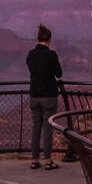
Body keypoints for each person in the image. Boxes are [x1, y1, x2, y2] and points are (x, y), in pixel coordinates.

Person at [26, 24, 62, 170]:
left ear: (37, 38)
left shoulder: (30, 54)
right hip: (48, 95)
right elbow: (59, 74)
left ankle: (34, 160)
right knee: (48, 128)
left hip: (34, 94)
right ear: (49, 39)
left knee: (36, 127)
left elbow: (32, 71)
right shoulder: (51, 54)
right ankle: (48, 161)